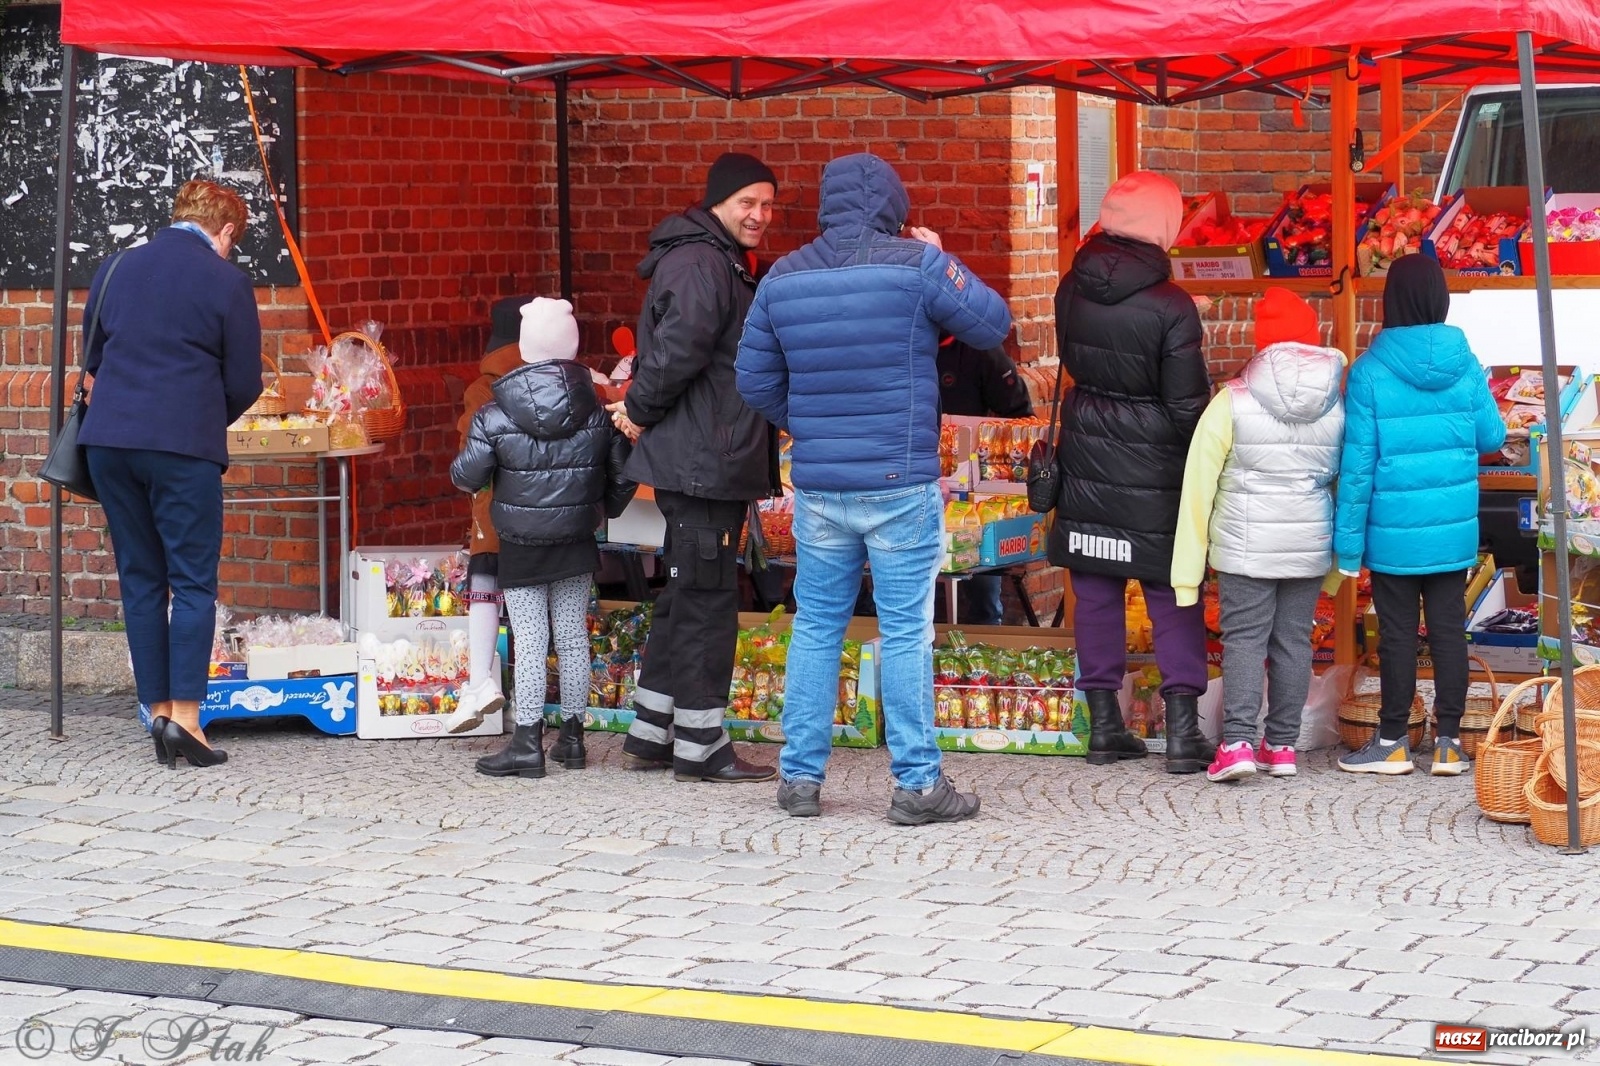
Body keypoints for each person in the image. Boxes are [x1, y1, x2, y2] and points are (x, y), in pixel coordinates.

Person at [737, 151, 1012, 824]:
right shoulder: (916, 267)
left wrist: (808, 425)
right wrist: (945, 258)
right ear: (894, 206)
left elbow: (752, 380)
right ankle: (917, 785)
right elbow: (992, 323)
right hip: (900, 484)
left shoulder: (781, 277)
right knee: (906, 633)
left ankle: (799, 779)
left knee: (816, 630)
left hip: (822, 487)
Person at [608, 152, 781, 783]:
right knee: (708, 599)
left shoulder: (706, 258)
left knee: (685, 594)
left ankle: (652, 734)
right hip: (705, 456)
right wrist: (638, 409)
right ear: (719, 203)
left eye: (767, 205)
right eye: (748, 203)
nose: (760, 215)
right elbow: (681, 351)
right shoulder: (706, 263)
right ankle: (702, 746)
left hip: (701, 455)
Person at [80, 178, 263, 769]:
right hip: (182, 446)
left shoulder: (114, 269)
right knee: (191, 581)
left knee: (139, 578)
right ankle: (188, 719)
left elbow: (93, 361)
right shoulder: (227, 281)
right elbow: (245, 381)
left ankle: (156, 711)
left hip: (109, 442)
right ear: (227, 230)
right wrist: (202, 417)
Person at [1048, 171, 1214, 774]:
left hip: (1086, 450)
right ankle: (1181, 733)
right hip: (1154, 466)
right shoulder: (1172, 306)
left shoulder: (1071, 287)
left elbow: (1072, 363)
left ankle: (1104, 727)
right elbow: (1186, 407)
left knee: (1093, 589)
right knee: (1174, 591)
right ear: (1161, 225)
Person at [451, 297, 636, 778]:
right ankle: (573, 739)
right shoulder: (597, 409)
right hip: (577, 536)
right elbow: (624, 472)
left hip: (521, 539)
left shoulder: (494, 412)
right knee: (573, 636)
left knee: (531, 638)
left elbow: (465, 476)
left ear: (525, 347)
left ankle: (527, 743)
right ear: (572, 347)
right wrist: (602, 509)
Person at [1335, 253, 1505, 777]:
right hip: (1452, 531)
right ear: (1440, 298)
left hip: (1393, 536)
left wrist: (1347, 548)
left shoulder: (1368, 373)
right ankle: (1450, 744)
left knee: (1398, 636)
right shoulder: (1466, 364)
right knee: (1451, 632)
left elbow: (1357, 469)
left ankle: (1391, 742)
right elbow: (1492, 438)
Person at [1172, 288, 1345, 782]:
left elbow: (1198, 487)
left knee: (1245, 640)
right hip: (1309, 546)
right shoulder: (1336, 406)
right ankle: (1282, 745)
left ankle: (1238, 743)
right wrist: (1337, 561)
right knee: (1293, 641)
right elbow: (1343, 482)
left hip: (1244, 547)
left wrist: (1188, 570)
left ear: (1260, 344)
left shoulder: (1231, 402)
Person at [440, 296, 529, 735]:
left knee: (485, 593)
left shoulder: (482, 389)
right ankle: (526, 703)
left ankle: (481, 681)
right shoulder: (559, 381)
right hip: (545, 516)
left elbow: (469, 461)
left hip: (493, 511)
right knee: (532, 613)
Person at [937, 332, 1034, 627]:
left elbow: (1019, 416)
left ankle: (984, 650)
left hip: (972, 487)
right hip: (910, 478)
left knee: (982, 588)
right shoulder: (900, 338)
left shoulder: (979, 346)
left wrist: (994, 456)